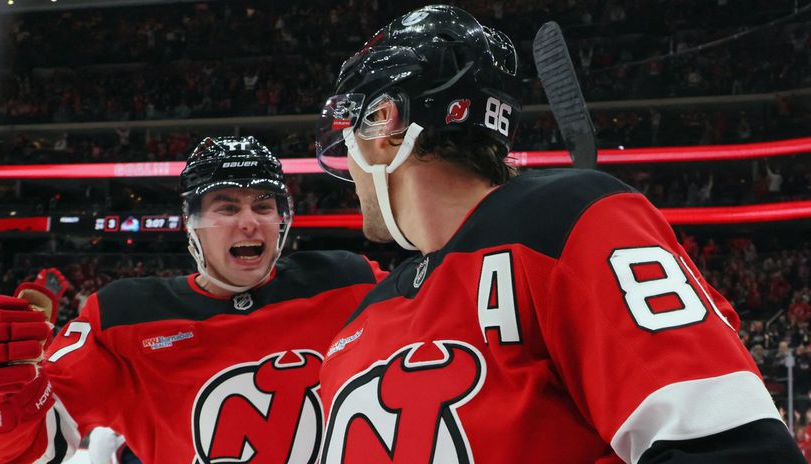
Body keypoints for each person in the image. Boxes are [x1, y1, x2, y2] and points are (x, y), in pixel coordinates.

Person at [314, 5, 803, 463]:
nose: (349, 168)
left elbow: (734, 448)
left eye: (349, 138)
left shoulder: (566, 223)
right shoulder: (359, 325)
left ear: (384, 122)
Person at [0, 136, 386, 463]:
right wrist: (3, 398)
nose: (249, 221)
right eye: (227, 207)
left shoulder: (349, 281)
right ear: (190, 222)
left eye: (264, 206)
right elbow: (32, 446)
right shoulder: (122, 318)